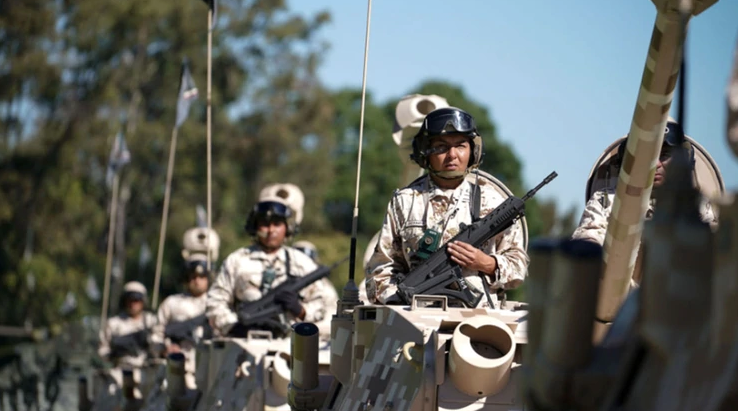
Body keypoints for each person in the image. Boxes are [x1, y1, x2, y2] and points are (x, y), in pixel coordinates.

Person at [365, 107, 529, 307]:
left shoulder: (494, 203)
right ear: (425, 152)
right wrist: (399, 300)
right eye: (441, 147)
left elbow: (519, 267)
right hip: (415, 318)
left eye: (460, 146)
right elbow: (381, 269)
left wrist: (486, 263)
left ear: (473, 151)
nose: (452, 155)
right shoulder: (406, 202)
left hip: (479, 321)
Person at [572, 119, 717, 245]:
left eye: (665, 155)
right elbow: (588, 242)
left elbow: (714, 250)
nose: (656, 164)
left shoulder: (695, 207)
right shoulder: (607, 202)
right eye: (648, 155)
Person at [206, 196, 333, 337]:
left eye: (277, 224)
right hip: (244, 343)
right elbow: (216, 300)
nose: (271, 230)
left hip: (289, 343)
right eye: (265, 224)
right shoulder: (237, 261)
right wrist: (234, 327)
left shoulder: (302, 263)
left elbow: (322, 303)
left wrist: (301, 310)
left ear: (287, 227)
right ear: (255, 227)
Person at [152, 227, 219, 388]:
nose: (197, 281)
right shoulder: (172, 304)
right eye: (193, 276)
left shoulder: (216, 303)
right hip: (178, 369)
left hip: (211, 369)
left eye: (202, 277)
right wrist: (165, 348)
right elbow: (155, 335)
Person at [97, 281, 157, 396]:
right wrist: (113, 353)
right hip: (120, 371)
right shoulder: (114, 324)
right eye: (130, 300)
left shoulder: (150, 322)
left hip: (145, 372)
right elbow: (103, 348)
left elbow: (158, 342)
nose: (133, 304)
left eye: (137, 300)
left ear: (143, 301)